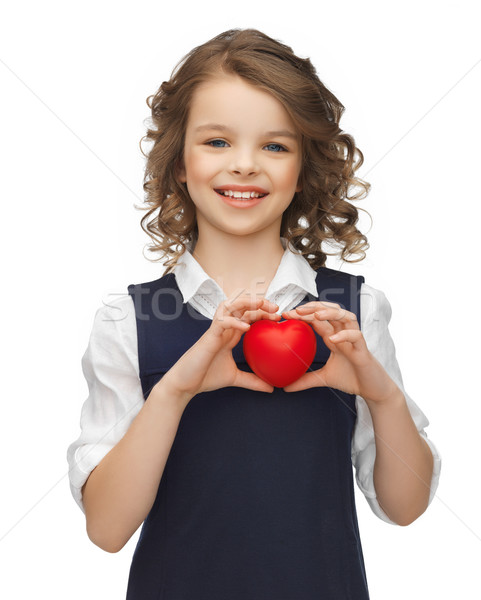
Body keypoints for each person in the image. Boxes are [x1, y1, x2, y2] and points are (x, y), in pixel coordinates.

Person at [67, 28, 441, 599]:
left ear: (303, 167)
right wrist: (174, 391)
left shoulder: (355, 312)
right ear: (179, 163)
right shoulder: (128, 321)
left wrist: (382, 396)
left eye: (275, 145)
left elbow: (405, 506)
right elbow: (107, 529)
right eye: (217, 142)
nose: (244, 165)